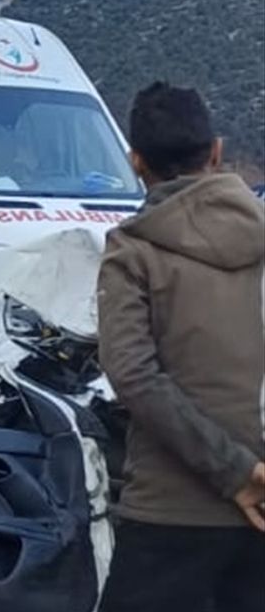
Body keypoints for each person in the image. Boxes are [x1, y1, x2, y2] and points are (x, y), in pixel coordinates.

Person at [96, 82, 265, 612]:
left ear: (135, 162)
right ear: (216, 151)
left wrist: (235, 472)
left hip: (169, 514)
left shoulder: (132, 251)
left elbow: (133, 375)